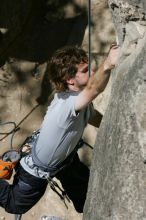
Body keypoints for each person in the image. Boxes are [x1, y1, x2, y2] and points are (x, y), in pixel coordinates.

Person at [0, 44, 119, 214]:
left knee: (84, 193)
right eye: (86, 70)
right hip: (36, 169)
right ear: (70, 80)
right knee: (14, 205)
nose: (92, 72)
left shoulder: (76, 100)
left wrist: (109, 123)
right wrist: (108, 64)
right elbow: (94, 89)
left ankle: (88, 210)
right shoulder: (66, 106)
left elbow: (91, 114)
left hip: (65, 160)